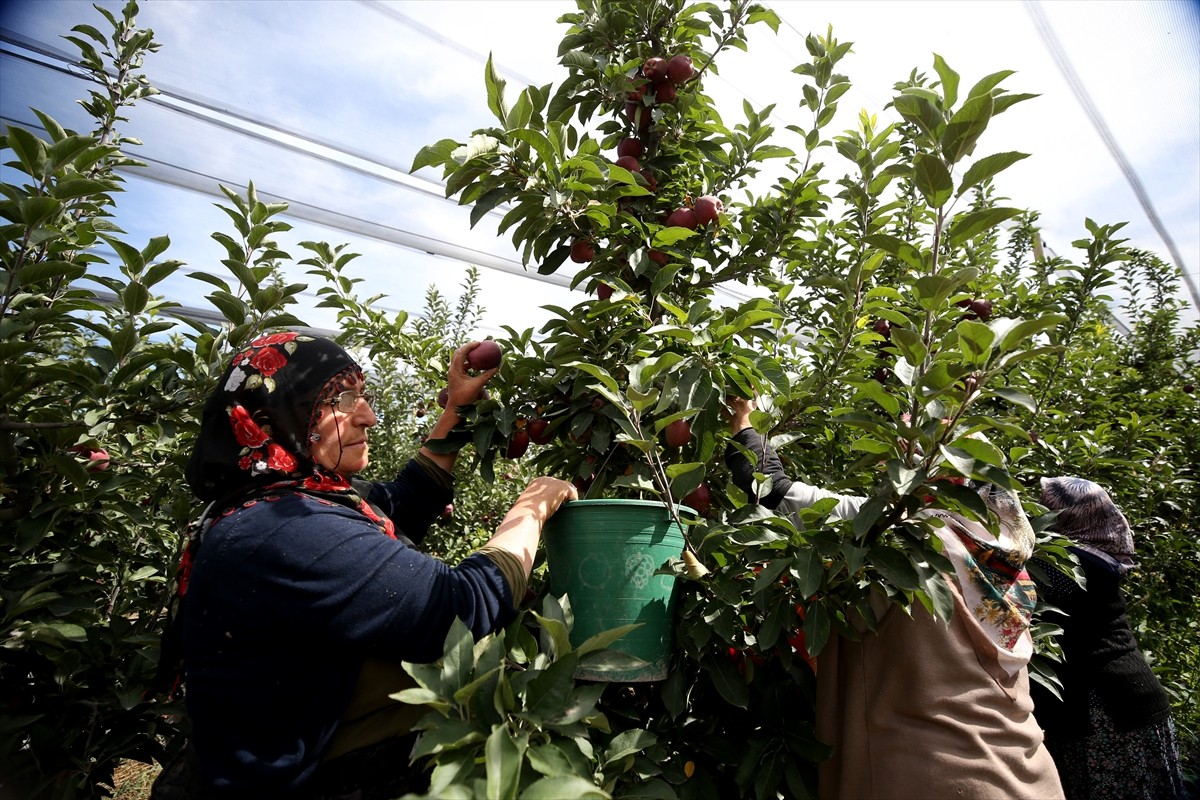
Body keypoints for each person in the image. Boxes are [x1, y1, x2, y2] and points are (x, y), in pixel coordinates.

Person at [163, 331, 576, 799]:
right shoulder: (280, 529)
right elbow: (459, 607)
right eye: (340, 400)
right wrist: (531, 509)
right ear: (271, 418)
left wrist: (457, 405)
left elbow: (407, 500)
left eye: (363, 395)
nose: (370, 417)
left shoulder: (295, 498)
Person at [724, 396, 1065, 800]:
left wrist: (744, 419)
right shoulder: (1003, 553)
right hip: (1025, 773)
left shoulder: (899, 538)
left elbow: (769, 487)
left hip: (926, 777)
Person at [1029, 477, 1185, 800]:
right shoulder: (1100, 557)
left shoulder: (1066, 562)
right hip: (1132, 701)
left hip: (1104, 717)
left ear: (1061, 516)